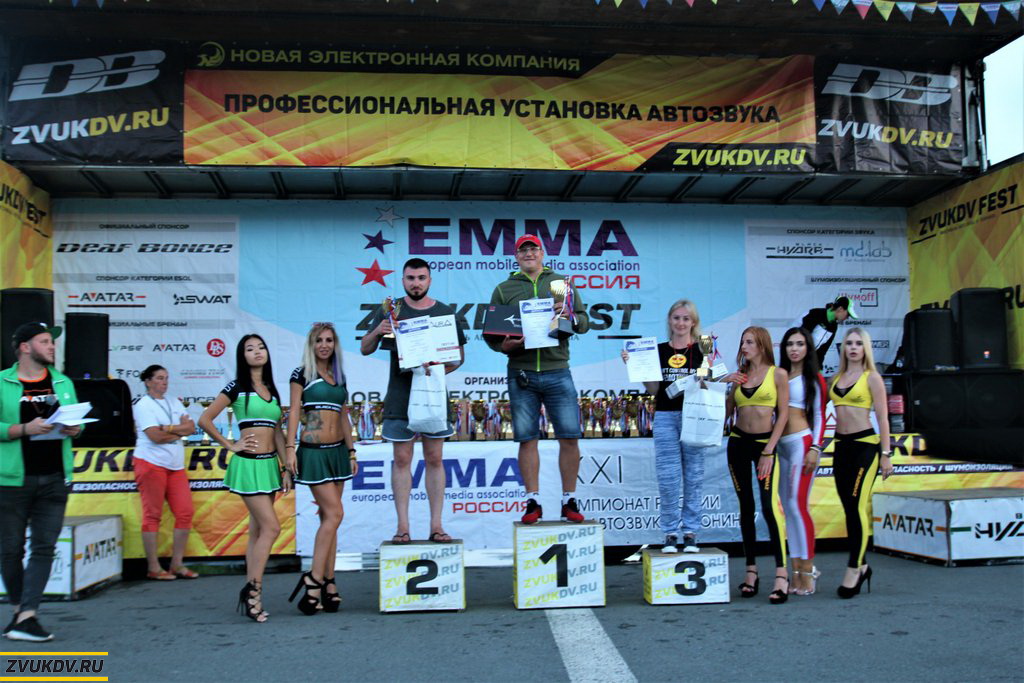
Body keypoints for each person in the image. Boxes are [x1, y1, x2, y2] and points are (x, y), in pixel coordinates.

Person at [486, 234, 590, 524]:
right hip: (521, 372)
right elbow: (492, 336)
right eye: (523, 250)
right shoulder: (504, 289)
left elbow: (583, 323)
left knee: (569, 436)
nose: (529, 253)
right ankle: (533, 501)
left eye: (533, 249)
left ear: (542, 253)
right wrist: (503, 346)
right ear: (516, 256)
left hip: (558, 369)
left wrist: (568, 314)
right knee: (527, 439)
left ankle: (569, 500)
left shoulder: (561, 284)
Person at [361, 258, 467, 544]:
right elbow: (365, 348)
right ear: (403, 280)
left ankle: (437, 526)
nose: (416, 283)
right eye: (411, 278)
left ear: (429, 280)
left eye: (421, 278)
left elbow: (458, 358)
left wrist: (433, 370)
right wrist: (379, 329)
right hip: (399, 396)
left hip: (432, 397)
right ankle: (402, 527)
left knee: (434, 458)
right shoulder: (392, 310)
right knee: (401, 459)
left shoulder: (445, 312)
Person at [199, 334, 290, 622]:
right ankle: (253, 593)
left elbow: (277, 432)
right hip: (248, 467)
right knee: (272, 528)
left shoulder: (271, 389)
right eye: (250, 349)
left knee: (257, 532)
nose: (257, 352)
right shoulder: (237, 386)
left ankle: (252, 594)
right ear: (243, 356)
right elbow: (205, 419)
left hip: (268, 466)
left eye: (261, 347)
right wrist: (230, 445)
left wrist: (286, 467)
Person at [0, 322, 82, 642]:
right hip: (11, 480)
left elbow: (75, 421)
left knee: (44, 547)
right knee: (10, 549)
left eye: (52, 341)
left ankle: (28, 615)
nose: (51, 346)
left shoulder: (63, 382)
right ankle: (20, 611)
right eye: (44, 341)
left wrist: (76, 428)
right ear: (25, 347)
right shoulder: (3, 382)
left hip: (55, 478)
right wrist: (24, 429)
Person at [620, 299, 710, 553]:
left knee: (694, 476)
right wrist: (635, 365)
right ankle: (670, 533)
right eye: (676, 318)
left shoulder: (703, 348)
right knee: (668, 478)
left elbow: (709, 385)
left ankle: (690, 533)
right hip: (666, 417)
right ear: (669, 321)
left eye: (686, 318)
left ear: (693, 322)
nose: (681, 323)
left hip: (694, 417)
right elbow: (653, 389)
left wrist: (707, 372)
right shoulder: (657, 351)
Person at [285, 322, 357, 615]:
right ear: (311, 345)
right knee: (335, 514)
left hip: (338, 452)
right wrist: (289, 448)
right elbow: (293, 412)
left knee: (330, 518)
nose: (324, 345)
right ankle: (313, 579)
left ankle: (329, 582)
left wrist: (351, 451)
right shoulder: (302, 374)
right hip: (313, 453)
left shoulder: (339, 376)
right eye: (319, 340)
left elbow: (344, 417)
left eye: (329, 340)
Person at [725, 326, 790, 604]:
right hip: (738, 443)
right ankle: (751, 570)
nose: (744, 346)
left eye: (749, 342)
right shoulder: (740, 376)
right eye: (742, 342)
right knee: (746, 506)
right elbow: (727, 412)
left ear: (762, 345)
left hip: (765, 446)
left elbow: (783, 415)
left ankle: (781, 574)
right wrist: (721, 382)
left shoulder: (778, 374)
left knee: (768, 506)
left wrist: (769, 451)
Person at [829, 327, 892, 599]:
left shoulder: (872, 377)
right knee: (848, 508)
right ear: (843, 348)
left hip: (865, 447)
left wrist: (886, 454)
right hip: (841, 447)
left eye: (858, 343)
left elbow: (883, 417)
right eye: (849, 343)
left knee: (856, 506)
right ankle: (864, 565)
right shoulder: (836, 378)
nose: (853, 348)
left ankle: (854, 568)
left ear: (865, 348)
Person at [132, 365, 198, 581]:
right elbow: (154, 437)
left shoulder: (174, 402)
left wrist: (167, 428)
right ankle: (153, 567)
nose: (164, 382)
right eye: (160, 378)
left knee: (185, 512)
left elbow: (191, 428)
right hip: (151, 463)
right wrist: (177, 431)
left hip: (175, 466)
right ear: (148, 381)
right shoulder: (143, 405)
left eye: (166, 378)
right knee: (152, 515)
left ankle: (177, 564)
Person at [777, 327, 827, 595]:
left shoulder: (813, 378)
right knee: (787, 508)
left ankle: (808, 570)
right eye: (789, 344)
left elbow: (820, 415)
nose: (794, 349)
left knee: (798, 506)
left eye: (799, 344)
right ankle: (795, 571)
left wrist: (816, 448)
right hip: (780, 447)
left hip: (801, 444)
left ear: (808, 348)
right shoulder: (779, 374)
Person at [799, 295, 858, 370]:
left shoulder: (834, 326)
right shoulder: (815, 313)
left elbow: (822, 351)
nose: (847, 318)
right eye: (848, 314)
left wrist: (819, 370)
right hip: (796, 359)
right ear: (840, 309)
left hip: (807, 363)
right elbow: (800, 339)